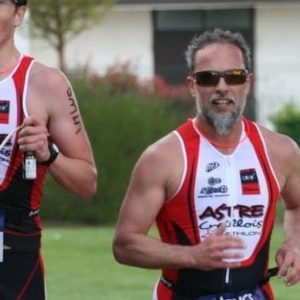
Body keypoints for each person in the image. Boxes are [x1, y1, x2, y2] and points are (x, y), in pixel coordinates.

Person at [113, 27, 300, 300]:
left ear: (247, 82)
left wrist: (294, 242)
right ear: (192, 86)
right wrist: (192, 256)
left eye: (233, 77)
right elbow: (125, 244)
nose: (221, 87)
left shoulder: (281, 150)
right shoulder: (162, 157)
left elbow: (297, 204)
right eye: (208, 78)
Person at [0, 0, 97, 299]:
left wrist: (49, 154)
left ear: (19, 14)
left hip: (13, 252)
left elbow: (87, 182)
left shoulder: (45, 82)